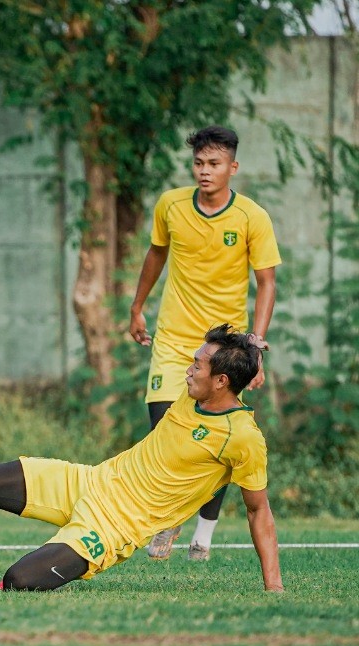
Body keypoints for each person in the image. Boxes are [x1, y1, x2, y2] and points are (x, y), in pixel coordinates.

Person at [0, 326, 284, 593]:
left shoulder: (242, 438)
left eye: (199, 364)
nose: (189, 366)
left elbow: (258, 510)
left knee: (18, 582)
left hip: (113, 528)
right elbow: (234, 354)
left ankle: (32, 575)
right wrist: (252, 349)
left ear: (222, 382)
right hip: (90, 482)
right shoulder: (195, 392)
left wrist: (274, 587)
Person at [129, 125, 280, 562]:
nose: (204, 171)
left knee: (215, 438)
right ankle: (171, 517)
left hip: (223, 346)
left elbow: (266, 281)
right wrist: (137, 307)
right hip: (174, 339)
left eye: (214, 164)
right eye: (198, 163)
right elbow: (156, 253)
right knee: (163, 431)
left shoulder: (252, 217)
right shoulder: (171, 205)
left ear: (233, 167)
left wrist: (255, 344)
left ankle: (205, 533)